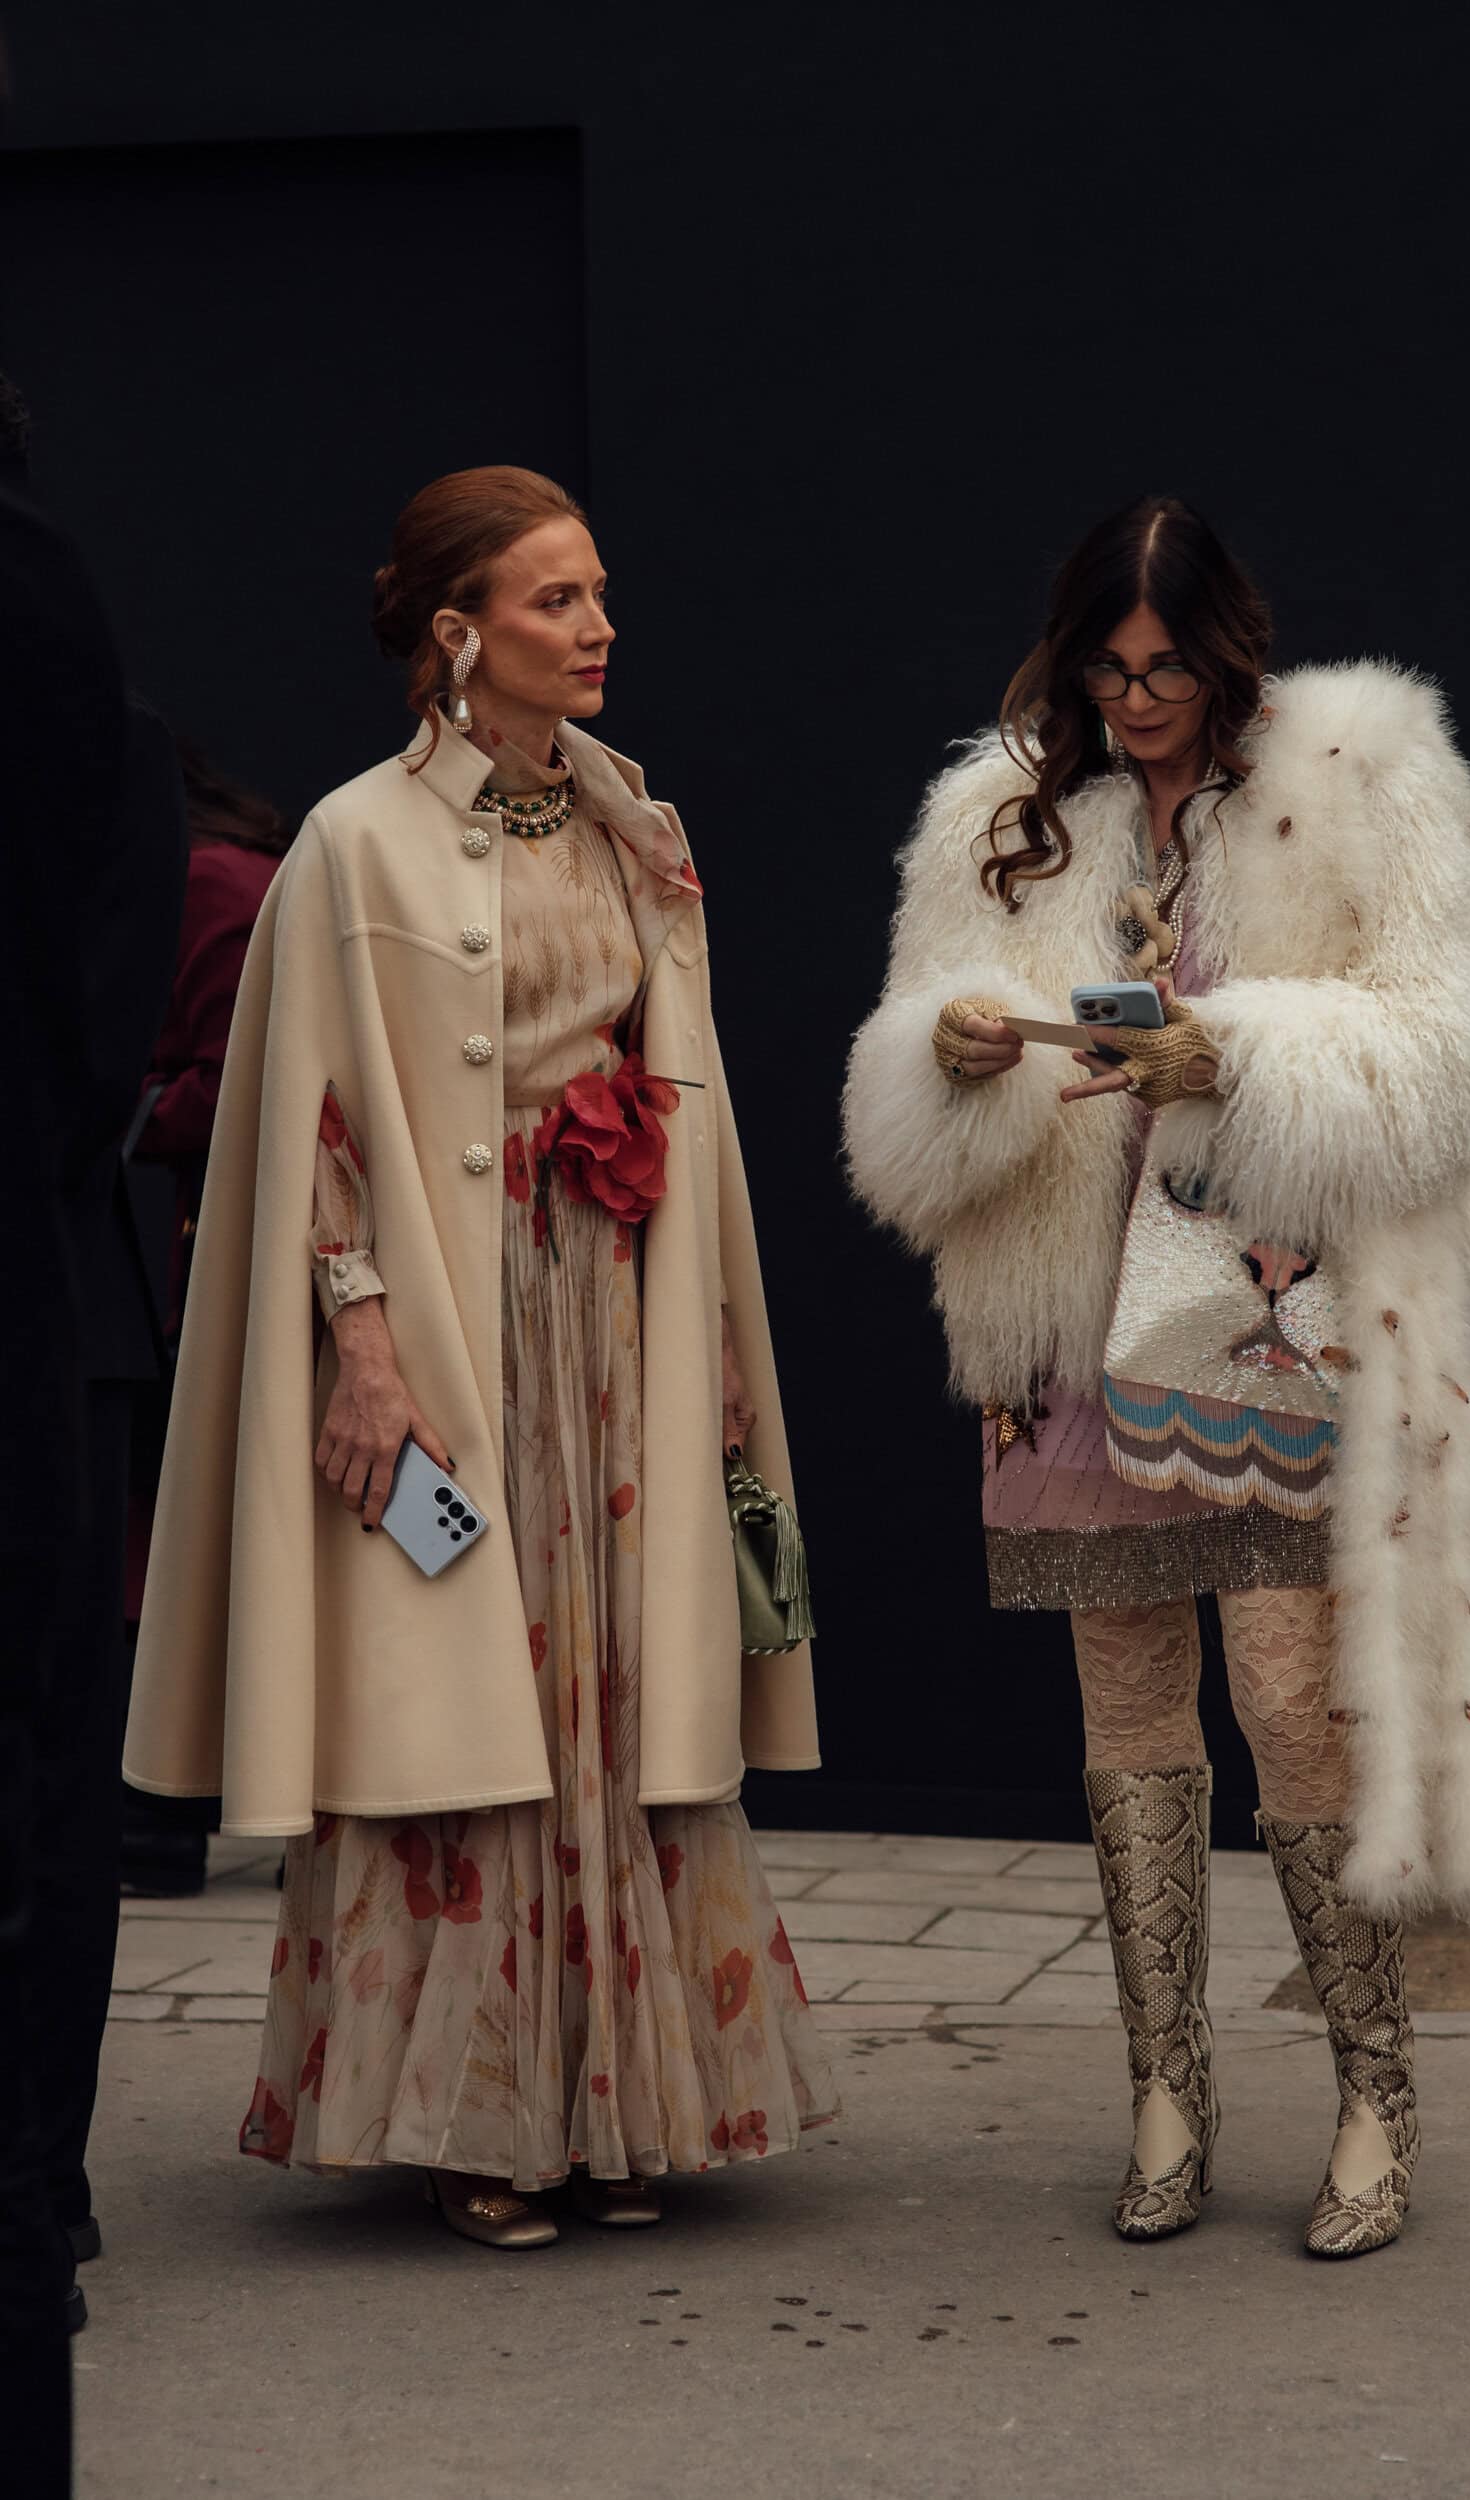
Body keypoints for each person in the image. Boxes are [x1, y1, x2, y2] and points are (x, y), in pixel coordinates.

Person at [126, 465, 835, 2247]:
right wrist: (358, 1342)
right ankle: (479, 2108)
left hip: (613, 1304)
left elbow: (685, 1088)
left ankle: (614, 2100)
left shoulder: (625, 824)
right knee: (472, 1697)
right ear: (459, 633)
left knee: (611, 1684)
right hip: (458, 1314)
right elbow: (313, 1125)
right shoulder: (354, 842)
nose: (596, 629)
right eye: (553, 602)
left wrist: (719, 1334)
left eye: (596, 594)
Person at [844, 493, 1470, 2257]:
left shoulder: (1355, 776)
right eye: (1106, 664)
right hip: (1075, 1331)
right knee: (1127, 1717)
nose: (1135, 698)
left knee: (1293, 1701)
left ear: (1225, 647)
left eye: (1164, 666)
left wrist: (1222, 1050)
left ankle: (1371, 2091)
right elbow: (916, 1095)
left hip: (1273, 1316)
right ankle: (1166, 2089)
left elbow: (1455, 1054)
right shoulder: (1001, 815)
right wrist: (958, 1053)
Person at [0, 362, 186, 2421]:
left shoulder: (93, 726)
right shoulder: (108, 737)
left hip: (56, 1310)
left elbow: (91, 1055)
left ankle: (40, 2184)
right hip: (50, 1298)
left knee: (59, 1774)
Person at [120, 745, 292, 1899]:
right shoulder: (215, 872)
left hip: (249, 1259)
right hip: (209, 1251)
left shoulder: (216, 880)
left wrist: (119, 1113)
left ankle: (164, 1820)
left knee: (211, 1529)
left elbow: (239, 1077)